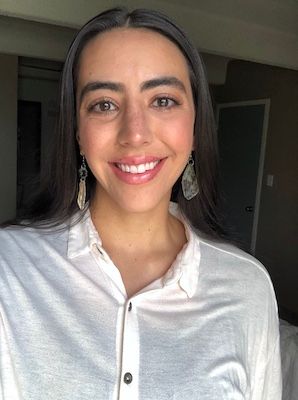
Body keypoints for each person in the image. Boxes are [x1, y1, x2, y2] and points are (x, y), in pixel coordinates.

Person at [0, 7, 281, 400]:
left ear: (196, 127)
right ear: (78, 132)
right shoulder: (8, 270)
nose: (135, 134)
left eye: (163, 100)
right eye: (104, 104)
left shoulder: (247, 288)